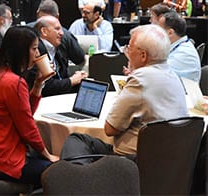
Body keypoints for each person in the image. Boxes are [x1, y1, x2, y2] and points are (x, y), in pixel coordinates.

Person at [61, 24, 188, 160]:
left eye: (129, 48)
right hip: (170, 160)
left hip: (132, 161)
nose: (126, 52)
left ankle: (76, 180)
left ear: (143, 55)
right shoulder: (173, 76)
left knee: (77, 140)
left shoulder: (140, 80)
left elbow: (110, 128)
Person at [0, 26, 59, 188]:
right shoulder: (12, 83)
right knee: (59, 173)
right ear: (21, 51)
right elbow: (28, 128)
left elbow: (24, 114)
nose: (38, 54)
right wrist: (47, 155)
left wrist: (38, 84)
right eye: (34, 49)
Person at [29, 15, 88, 97]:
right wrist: (72, 80)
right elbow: (47, 86)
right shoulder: (37, 50)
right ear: (44, 31)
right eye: (57, 29)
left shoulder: (57, 47)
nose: (62, 33)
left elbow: (61, 77)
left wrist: (77, 78)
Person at [27, 0, 85, 67]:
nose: (61, 33)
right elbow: (80, 59)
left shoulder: (25, 31)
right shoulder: (66, 35)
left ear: (37, 13)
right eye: (57, 29)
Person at [158, 11, 201, 82]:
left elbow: (158, 76)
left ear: (170, 33)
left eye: (159, 30)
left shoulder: (185, 53)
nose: (156, 33)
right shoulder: (177, 45)